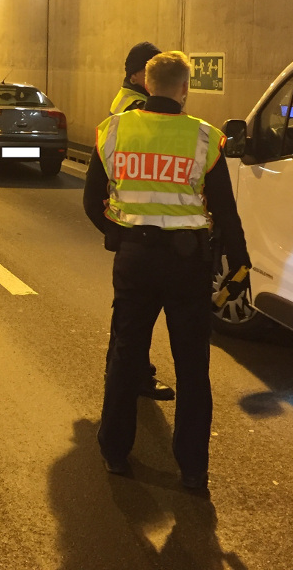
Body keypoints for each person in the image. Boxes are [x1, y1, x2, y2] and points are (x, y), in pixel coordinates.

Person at [83, 51, 251, 489]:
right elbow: (225, 211)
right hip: (187, 264)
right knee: (192, 367)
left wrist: (118, 234)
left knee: (126, 355)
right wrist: (240, 265)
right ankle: (193, 469)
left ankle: (115, 452)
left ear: (147, 84)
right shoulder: (204, 138)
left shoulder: (112, 130)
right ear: (184, 89)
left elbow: (91, 201)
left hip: (135, 259)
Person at [108, 42, 174, 402]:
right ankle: (134, 376)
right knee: (137, 315)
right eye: (148, 71)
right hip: (141, 222)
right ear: (136, 74)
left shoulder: (125, 100)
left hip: (127, 218)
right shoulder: (136, 108)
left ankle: (122, 371)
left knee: (128, 312)